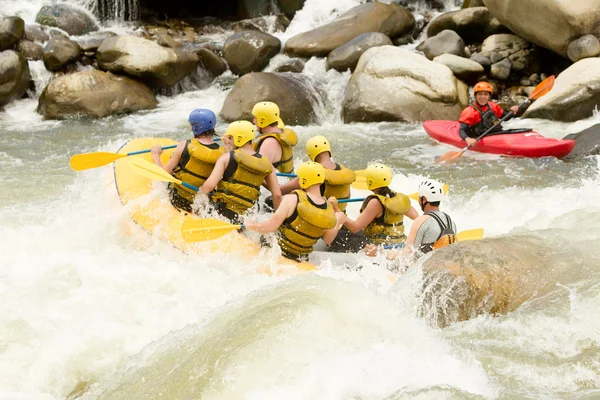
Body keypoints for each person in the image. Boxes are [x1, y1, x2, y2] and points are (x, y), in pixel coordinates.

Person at [280, 135, 368, 253]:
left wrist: (266, 179)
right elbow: (348, 197)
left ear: (311, 154)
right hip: (342, 224)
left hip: (322, 231)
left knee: (271, 201)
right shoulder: (343, 172)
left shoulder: (312, 173)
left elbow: (281, 191)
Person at [244, 162, 346, 261]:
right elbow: (328, 239)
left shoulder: (291, 200)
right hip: (301, 258)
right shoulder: (328, 209)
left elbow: (270, 227)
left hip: (277, 254)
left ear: (303, 181)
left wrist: (251, 225)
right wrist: (338, 220)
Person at [200, 120, 282, 223]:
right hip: (247, 217)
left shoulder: (225, 158)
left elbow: (209, 187)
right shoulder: (266, 164)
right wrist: (278, 222)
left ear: (239, 139)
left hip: (222, 214)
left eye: (230, 138)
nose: (227, 141)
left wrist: (198, 200)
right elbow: (277, 194)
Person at [151, 109, 224, 213]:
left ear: (196, 128)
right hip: (200, 205)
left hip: (178, 199)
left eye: (191, 125)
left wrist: (156, 155)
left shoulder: (184, 146)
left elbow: (162, 175)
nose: (190, 127)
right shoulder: (223, 154)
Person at [332, 163, 418, 249]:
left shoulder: (375, 203)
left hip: (379, 247)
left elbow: (355, 227)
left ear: (370, 182)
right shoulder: (398, 198)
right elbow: (416, 217)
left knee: (340, 234)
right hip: (397, 243)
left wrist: (336, 208)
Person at [458, 81, 522, 147]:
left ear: (489, 96)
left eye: (485, 94)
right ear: (475, 95)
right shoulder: (469, 111)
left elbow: (505, 118)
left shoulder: (493, 106)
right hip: (481, 137)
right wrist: (467, 139)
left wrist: (511, 112)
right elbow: (462, 130)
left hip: (497, 134)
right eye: (480, 94)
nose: (483, 97)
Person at [404, 179, 457, 254]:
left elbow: (407, 255)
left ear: (424, 199)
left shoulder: (421, 221)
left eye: (419, 197)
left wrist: (383, 253)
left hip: (425, 265)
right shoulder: (451, 222)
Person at [252, 101, 298, 174]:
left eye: (255, 117)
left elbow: (259, 174)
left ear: (262, 121)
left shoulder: (270, 142)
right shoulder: (280, 131)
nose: (253, 121)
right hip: (285, 180)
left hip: (280, 184)